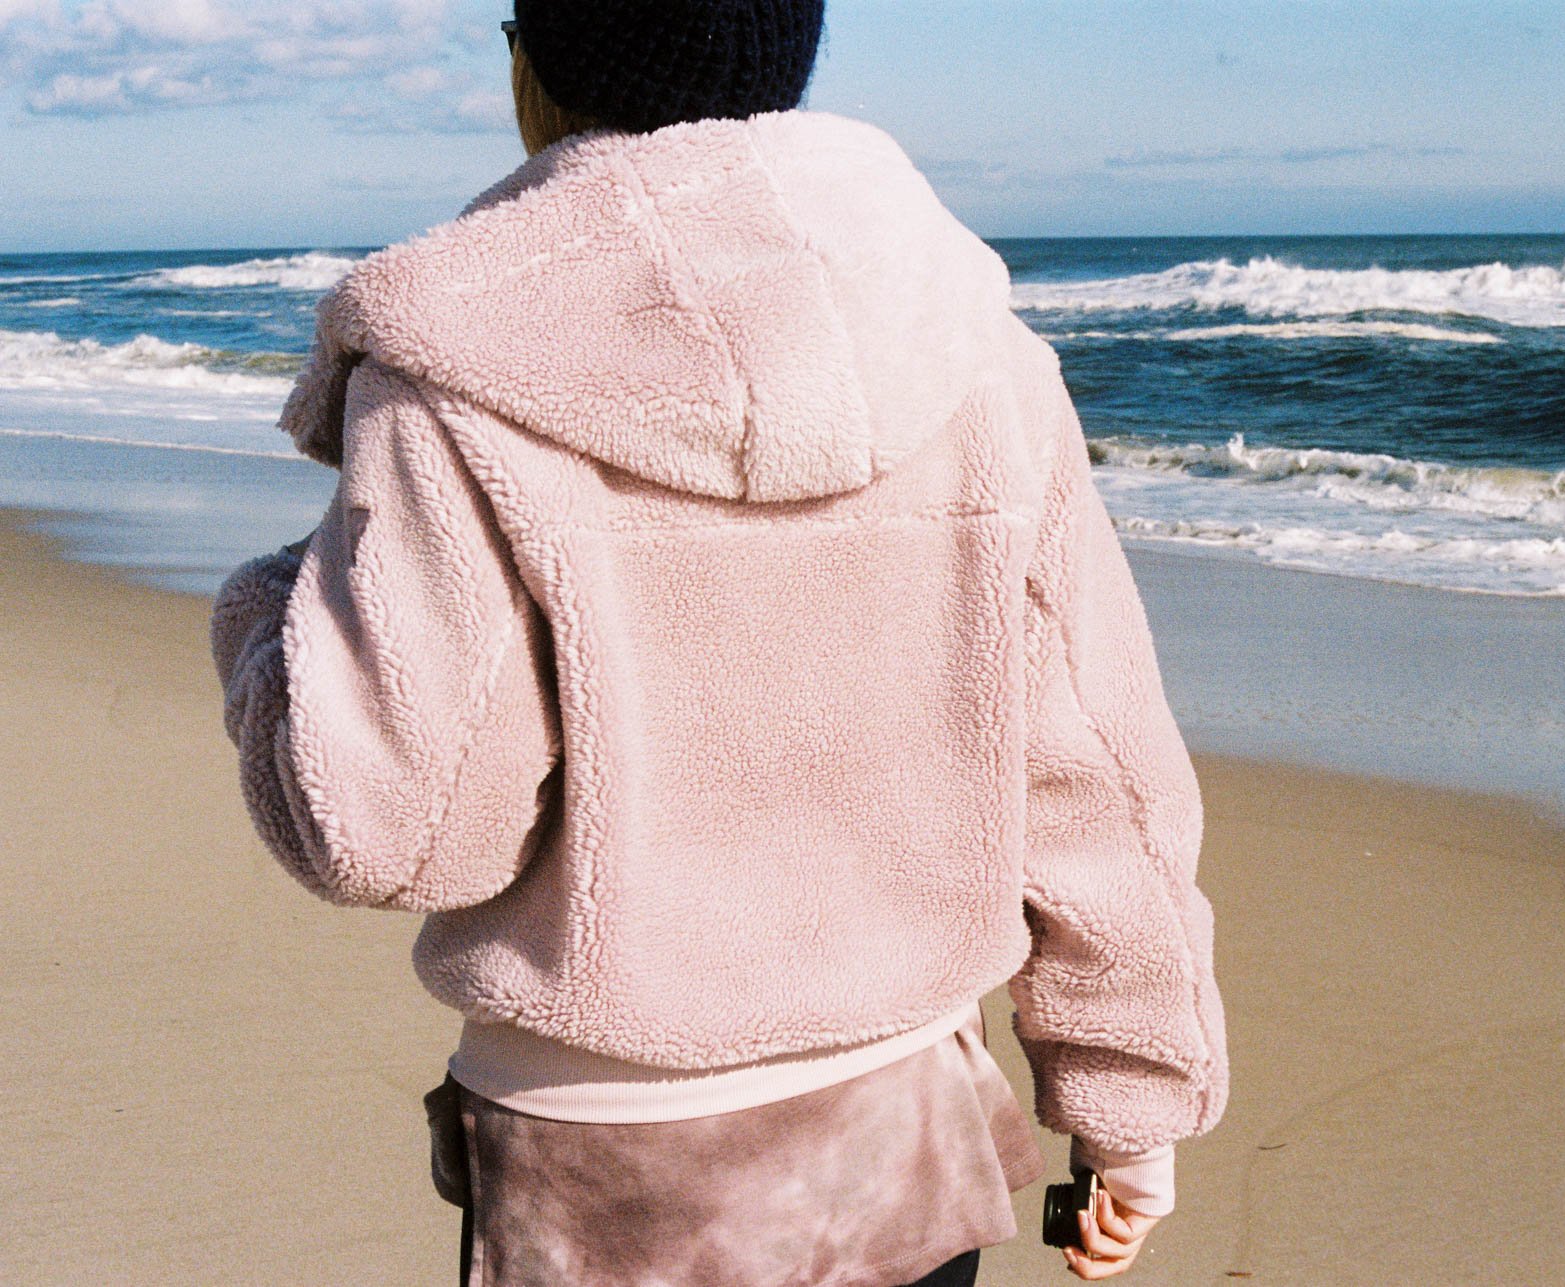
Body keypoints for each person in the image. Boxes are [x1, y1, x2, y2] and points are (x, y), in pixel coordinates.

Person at [207, 2, 1228, 1283]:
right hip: (900, 1135)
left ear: (533, 58)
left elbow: (387, 831)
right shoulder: (978, 352)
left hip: (604, 1170)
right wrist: (1133, 1113)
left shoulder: (452, 372)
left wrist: (268, 621)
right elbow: (1095, 772)